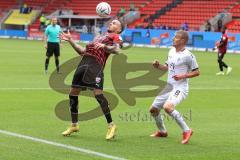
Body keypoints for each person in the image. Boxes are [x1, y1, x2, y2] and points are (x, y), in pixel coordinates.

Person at [60, 19, 124, 140]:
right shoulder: (99, 36)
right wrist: (71, 40)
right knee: (73, 94)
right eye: (111, 22)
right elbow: (82, 51)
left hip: (96, 66)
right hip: (83, 64)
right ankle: (74, 125)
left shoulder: (116, 37)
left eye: (115, 23)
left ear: (119, 29)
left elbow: (117, 50)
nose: (111, 23)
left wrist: (105, 46)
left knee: (98, 94)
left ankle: (111, 125)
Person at [150, 30, 200, 144]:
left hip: (180, 88)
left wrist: (183, 75)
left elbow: (197, 72)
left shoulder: (188, 55)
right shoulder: (171, 51)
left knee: (168, 107)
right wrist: (158, 66)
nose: (173, 39)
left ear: (182, 40)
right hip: (169, 86)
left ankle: (187, 130)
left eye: (176, 37)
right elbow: (167, 67)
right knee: (153, 110)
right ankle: (162, 132)